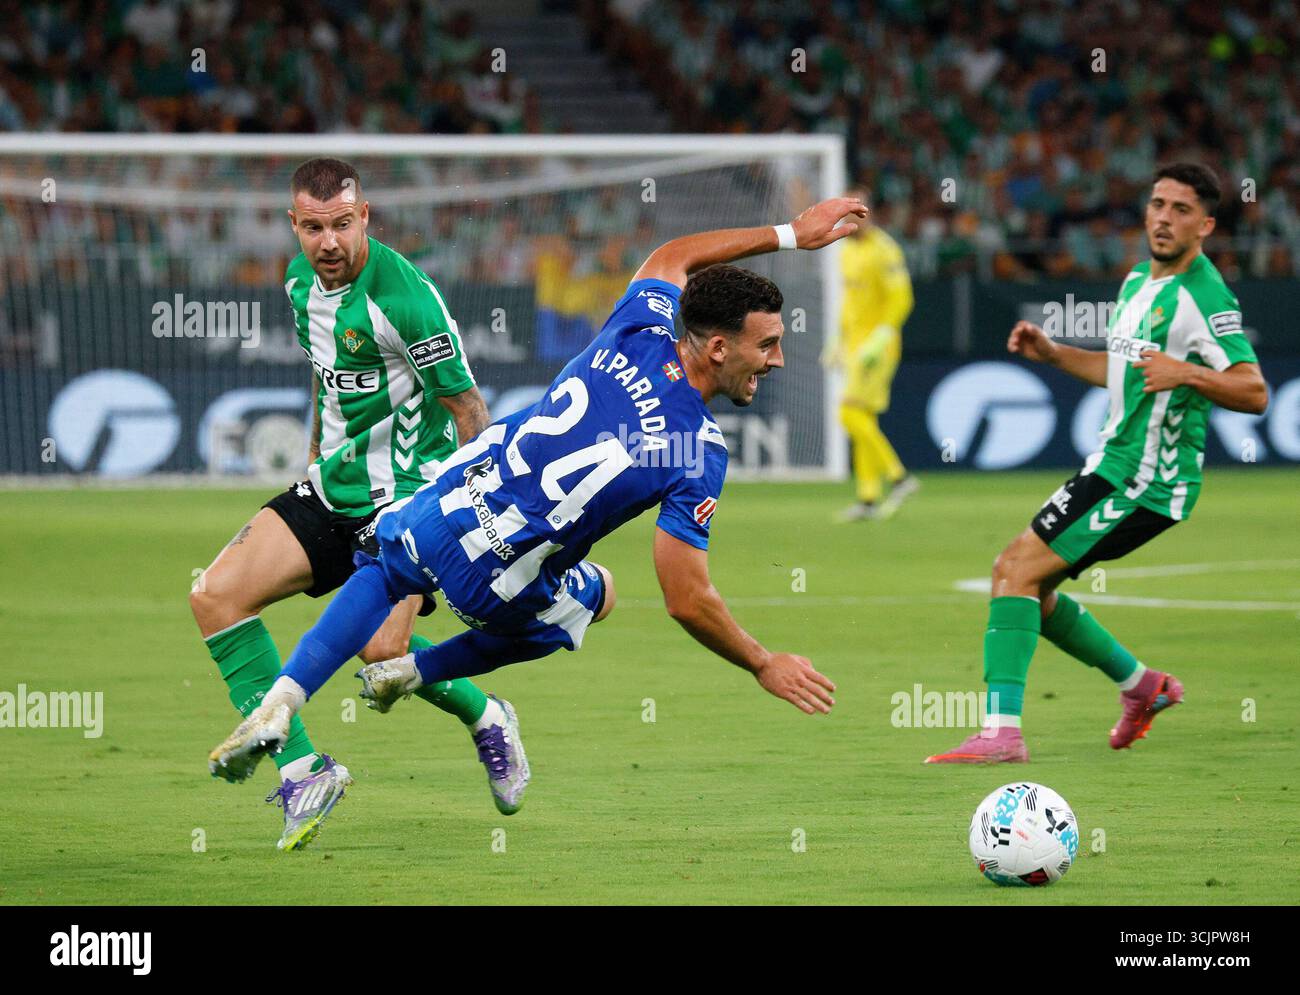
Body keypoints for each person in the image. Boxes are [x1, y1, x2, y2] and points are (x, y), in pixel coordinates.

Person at [207, 197, 869, 807]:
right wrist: (761, 660)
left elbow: (675, 255)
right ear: (719, 347)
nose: (778, 360)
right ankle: (416, 672)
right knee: (596, 595)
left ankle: (283, 700)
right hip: (501, 579)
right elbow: (685, 597)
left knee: (384, 568)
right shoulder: (697, 451)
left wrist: (788, 233)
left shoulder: (638, 326)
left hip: (448, 505)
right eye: (769, 345)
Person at [193, 158, 513, 851]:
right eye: (313, 227)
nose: (328, 241)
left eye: (341, 224)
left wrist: (471, 522)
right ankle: (306, 772)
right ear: (294, 226)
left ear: (364, 216)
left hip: (405, 501)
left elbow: (471, 412)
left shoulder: (407, 301)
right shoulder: (297, 282)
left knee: (383, 649)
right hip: (330, 488)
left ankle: (487, 712)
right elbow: (324, 377)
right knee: (215, 597)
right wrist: (313, 456)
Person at [926, 163, 1268, 764]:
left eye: (1181, 210)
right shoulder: (1139, 280)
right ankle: (1143, 687)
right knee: (1034, 589)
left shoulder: (1204, 295)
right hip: (1111, 465)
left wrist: (1185, 371)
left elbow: (1254, 390)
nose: (1164, 217)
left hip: (1146, 480)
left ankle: (1002, 734)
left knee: (1013, 569)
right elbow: (1121, 372)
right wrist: (1054, 354)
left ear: (1207, 225)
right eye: (1157, 203)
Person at [824, 193, 919, 521]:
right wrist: (838, 339)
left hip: (878, 346)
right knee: (863, 417)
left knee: (848, 413)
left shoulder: (885, 249)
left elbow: (902, 297)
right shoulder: (846, 250)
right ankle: (867, 498)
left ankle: (899, 477)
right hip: (853, 344)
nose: (852, 218)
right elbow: (850, 302)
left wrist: (882, 335)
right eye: (846, 212)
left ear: (870, 212)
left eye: (858, 212)